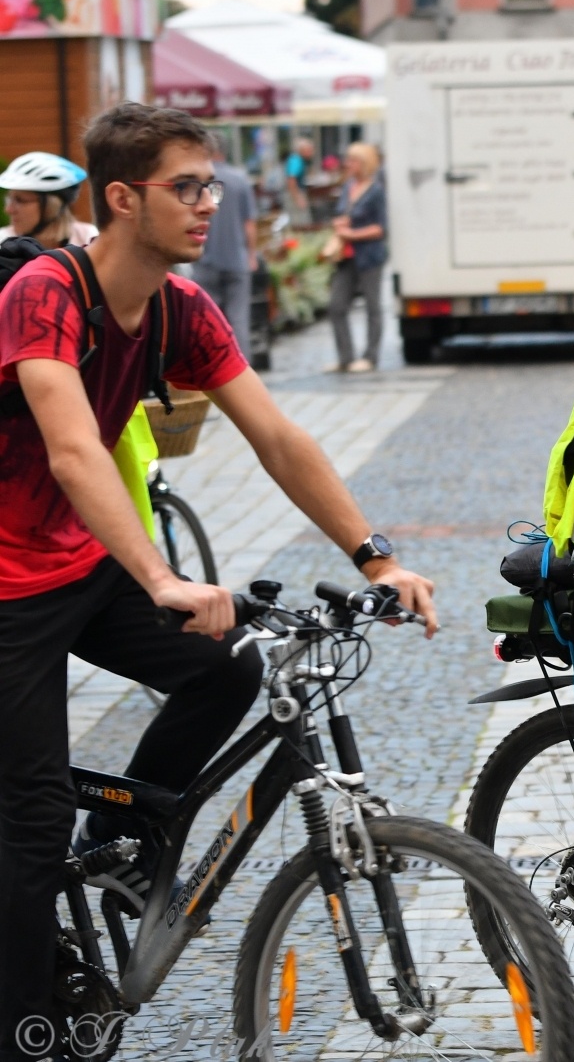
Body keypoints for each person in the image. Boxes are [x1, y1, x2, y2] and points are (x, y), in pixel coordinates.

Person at [0, 102, 437, 1057]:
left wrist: (377, 556)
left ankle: (117, 844)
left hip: (78, 561)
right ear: (123, 198)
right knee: (29, 818)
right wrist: (162, 575)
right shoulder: (45, 291)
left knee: (229, 664)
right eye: (188, 186)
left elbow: (277, 435)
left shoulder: (179, 308)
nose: (210, 203)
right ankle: (27, 1032)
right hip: (6, 586)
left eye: (212, 185)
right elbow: (73, 450)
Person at [193, 133, 258, 364]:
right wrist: (251, 255)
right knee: (238, 319)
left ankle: (210, 367)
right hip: (237, 260)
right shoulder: (240, 179)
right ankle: (241, 368)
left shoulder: (199, 182)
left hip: (205, 259)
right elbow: (249, 224)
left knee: (207, 320)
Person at [326, 142, 387, 373]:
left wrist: (353, 234)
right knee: (336, 306)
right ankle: (346, 357)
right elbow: (343, 214)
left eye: (353, 160)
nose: (348, 164)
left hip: (368, 255)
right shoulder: (347, 187)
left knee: (373, 306)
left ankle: (370, 356)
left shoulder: (375, 191)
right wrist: (340, 223)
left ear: (364, 163)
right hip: (346, 256)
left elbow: (380, 228)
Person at [0, 152, 98, 248]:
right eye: (9, 199)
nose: (8, 210)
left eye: (20, 200)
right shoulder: (3, 241)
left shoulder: (87, 237)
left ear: (51, 206)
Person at [283, 136, 314, 226]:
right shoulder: (297, 160)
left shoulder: (297, 160)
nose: (312, 152)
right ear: (303, 150)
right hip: (295, 193)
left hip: (295, 192)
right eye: (310, 150)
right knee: (300, 222)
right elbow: (291, 180)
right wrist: (298, 199)